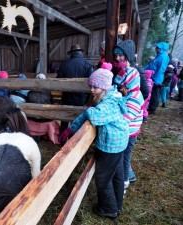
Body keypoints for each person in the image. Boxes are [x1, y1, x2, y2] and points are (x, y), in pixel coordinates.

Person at [59, 63, 129, 219]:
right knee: (117, 174)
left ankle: (109, 209)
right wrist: (72, 129)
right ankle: (117, 204)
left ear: (104, 87)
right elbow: (87, 115)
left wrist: (88, 109)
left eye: (95, 87)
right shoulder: (109, 96)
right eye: (91, 86)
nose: (91, 90)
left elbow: (94, 116)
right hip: (117, 141)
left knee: (103, 179)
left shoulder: (109, 103)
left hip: (111, 145)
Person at [112, 40, 144, 190]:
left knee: (124, 157)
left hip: (129, 128)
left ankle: (124, 183)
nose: (117, 58)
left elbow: (129, 113)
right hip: (128, 127)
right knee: (125, 156)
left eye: (121, 56)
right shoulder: (122, 72)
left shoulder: (134, 93)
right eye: (116, 55)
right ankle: (127, 177)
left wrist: (116, 126)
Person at [57, 44, 93, 133]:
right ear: (80, 52)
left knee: (64, 119)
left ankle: (62, 139)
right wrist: (88, 100)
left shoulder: (64, 64)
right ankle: (74, 140)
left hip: (67, 97)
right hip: (81, 99)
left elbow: (58, 81)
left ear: (71, 53)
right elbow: (91, 83)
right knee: (78, 120)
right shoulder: (87, 65)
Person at [144, 42, 170, 115]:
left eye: (157, 47)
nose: (156, 48)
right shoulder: (159, 56)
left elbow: (161, 69)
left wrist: (156, 80)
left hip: (156, 79)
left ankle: (152, 109)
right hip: (152, 77)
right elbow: (151, 65)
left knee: (155, 94)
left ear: (161, 48)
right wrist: (143, 70)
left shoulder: (163, 57)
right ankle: (151, 108)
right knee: (152, 93)